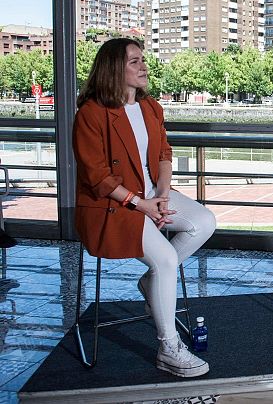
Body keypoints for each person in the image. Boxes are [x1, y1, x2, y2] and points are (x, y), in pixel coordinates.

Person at [73, 38, 216, 377]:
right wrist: (143, 205)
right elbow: (98, 178)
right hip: (114, 206)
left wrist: (162, 196)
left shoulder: (150, 106)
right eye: (135, 61)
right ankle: (169, 348)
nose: (144, 66)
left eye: (143, 60)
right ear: (114, 69)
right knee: (166, 259)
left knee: (204, 221)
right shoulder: (91, 113)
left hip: (150, 196)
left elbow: (164, 153)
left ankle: (151, 282)